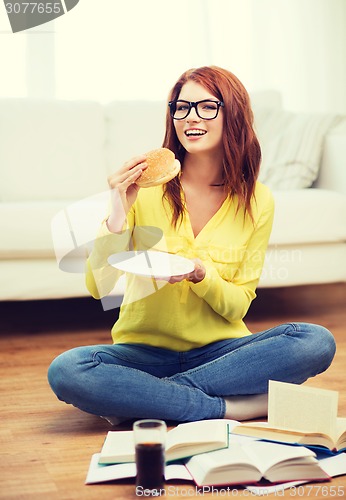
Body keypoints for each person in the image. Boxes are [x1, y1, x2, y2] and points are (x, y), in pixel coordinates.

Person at [48, 66, 336, 424]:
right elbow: (98, 287)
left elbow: (236, 307)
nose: (190, 118)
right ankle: (226, 408)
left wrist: (203, 276)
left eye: (206, 107)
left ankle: (147, 397)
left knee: (314, 341)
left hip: (222, 354)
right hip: (143, 352)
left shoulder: (258, 201)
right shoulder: (145, 188)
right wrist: (118, 209)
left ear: (233, 114)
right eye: (181, 107)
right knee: (67, 370)